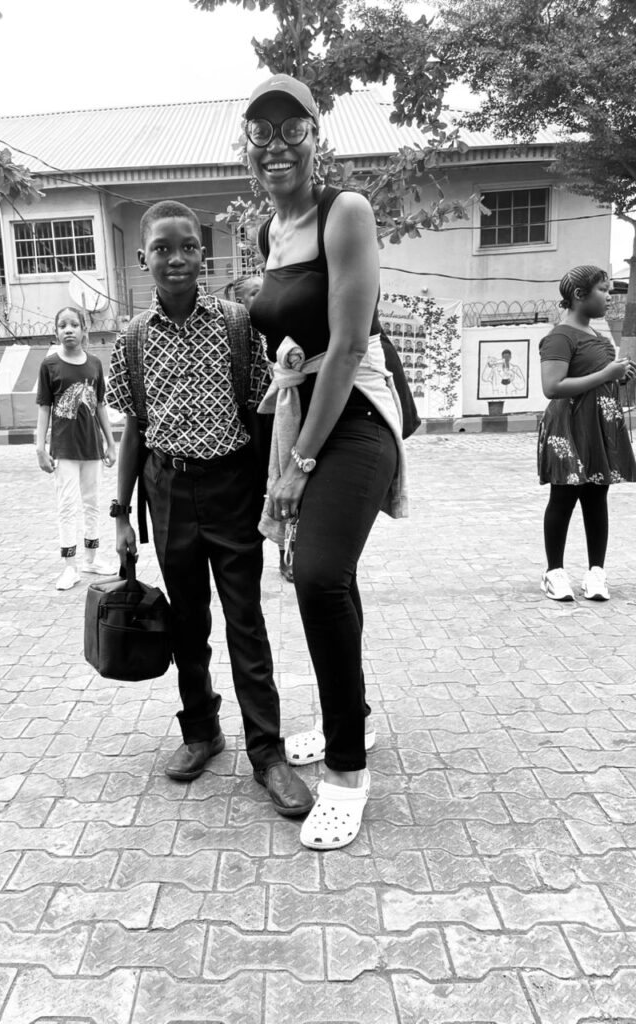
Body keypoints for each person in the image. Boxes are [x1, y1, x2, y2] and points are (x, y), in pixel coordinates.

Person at [244, 74, 411, 849]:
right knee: (330, 578)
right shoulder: (267, 231)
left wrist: (297, 467)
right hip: (303, 416)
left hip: (356, 419)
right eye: (262, 132)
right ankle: (357, 721)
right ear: (248, 146)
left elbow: (344, 347)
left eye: (292, 129)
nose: (276, 145)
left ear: (316, 137)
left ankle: (347, 771)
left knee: (316, 577)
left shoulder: (346, 212)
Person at [106, 200, 313, 818]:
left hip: (232, 489)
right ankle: (201, 731)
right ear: (143, 258)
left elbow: (261, 414)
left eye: (188, 246)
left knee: (245, 620)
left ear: (204, 254)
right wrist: (121, 513)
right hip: (167, 492)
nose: (176, 258)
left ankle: (267, 753)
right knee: (187, 623)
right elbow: (134, 431)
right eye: (162, 248)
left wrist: (276, 496)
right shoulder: (132, 338)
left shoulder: (238, 325)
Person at [538, 265, 636, 601]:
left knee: (596, 498)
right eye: (603, 290)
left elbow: (596, 376)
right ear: (580, 295)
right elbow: (553, 387)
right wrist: (607, 373)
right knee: (563, 497)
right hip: (568, 427)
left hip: (599, 427)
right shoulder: (561, 336)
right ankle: (554, 572)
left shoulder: (598, 336)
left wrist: (617, 376)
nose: (609, 297)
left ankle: (596, 572)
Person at [36, 306, 117, 590]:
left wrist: (110, 443)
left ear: (84, 329)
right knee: (67, 506)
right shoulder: (50, 365)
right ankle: (69, 566)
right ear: (56, 331)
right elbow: (44, 407)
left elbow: (99, 405)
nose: (68, 330)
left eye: (74, 324)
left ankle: (91, 559)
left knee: (92, 504)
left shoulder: (94, 364)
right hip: (64, 448)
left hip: (92, 447)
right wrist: (40, 447)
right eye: (62, 325)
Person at [227, 274, 294, 583]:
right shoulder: (235, 335)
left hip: (280, 420)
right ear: (239, 303)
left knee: (284, 486)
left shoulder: (284, 329)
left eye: (265, 291)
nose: (263, 298)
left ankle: (286, 553)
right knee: (255, 491)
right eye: (254, 294)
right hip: (250, 424)